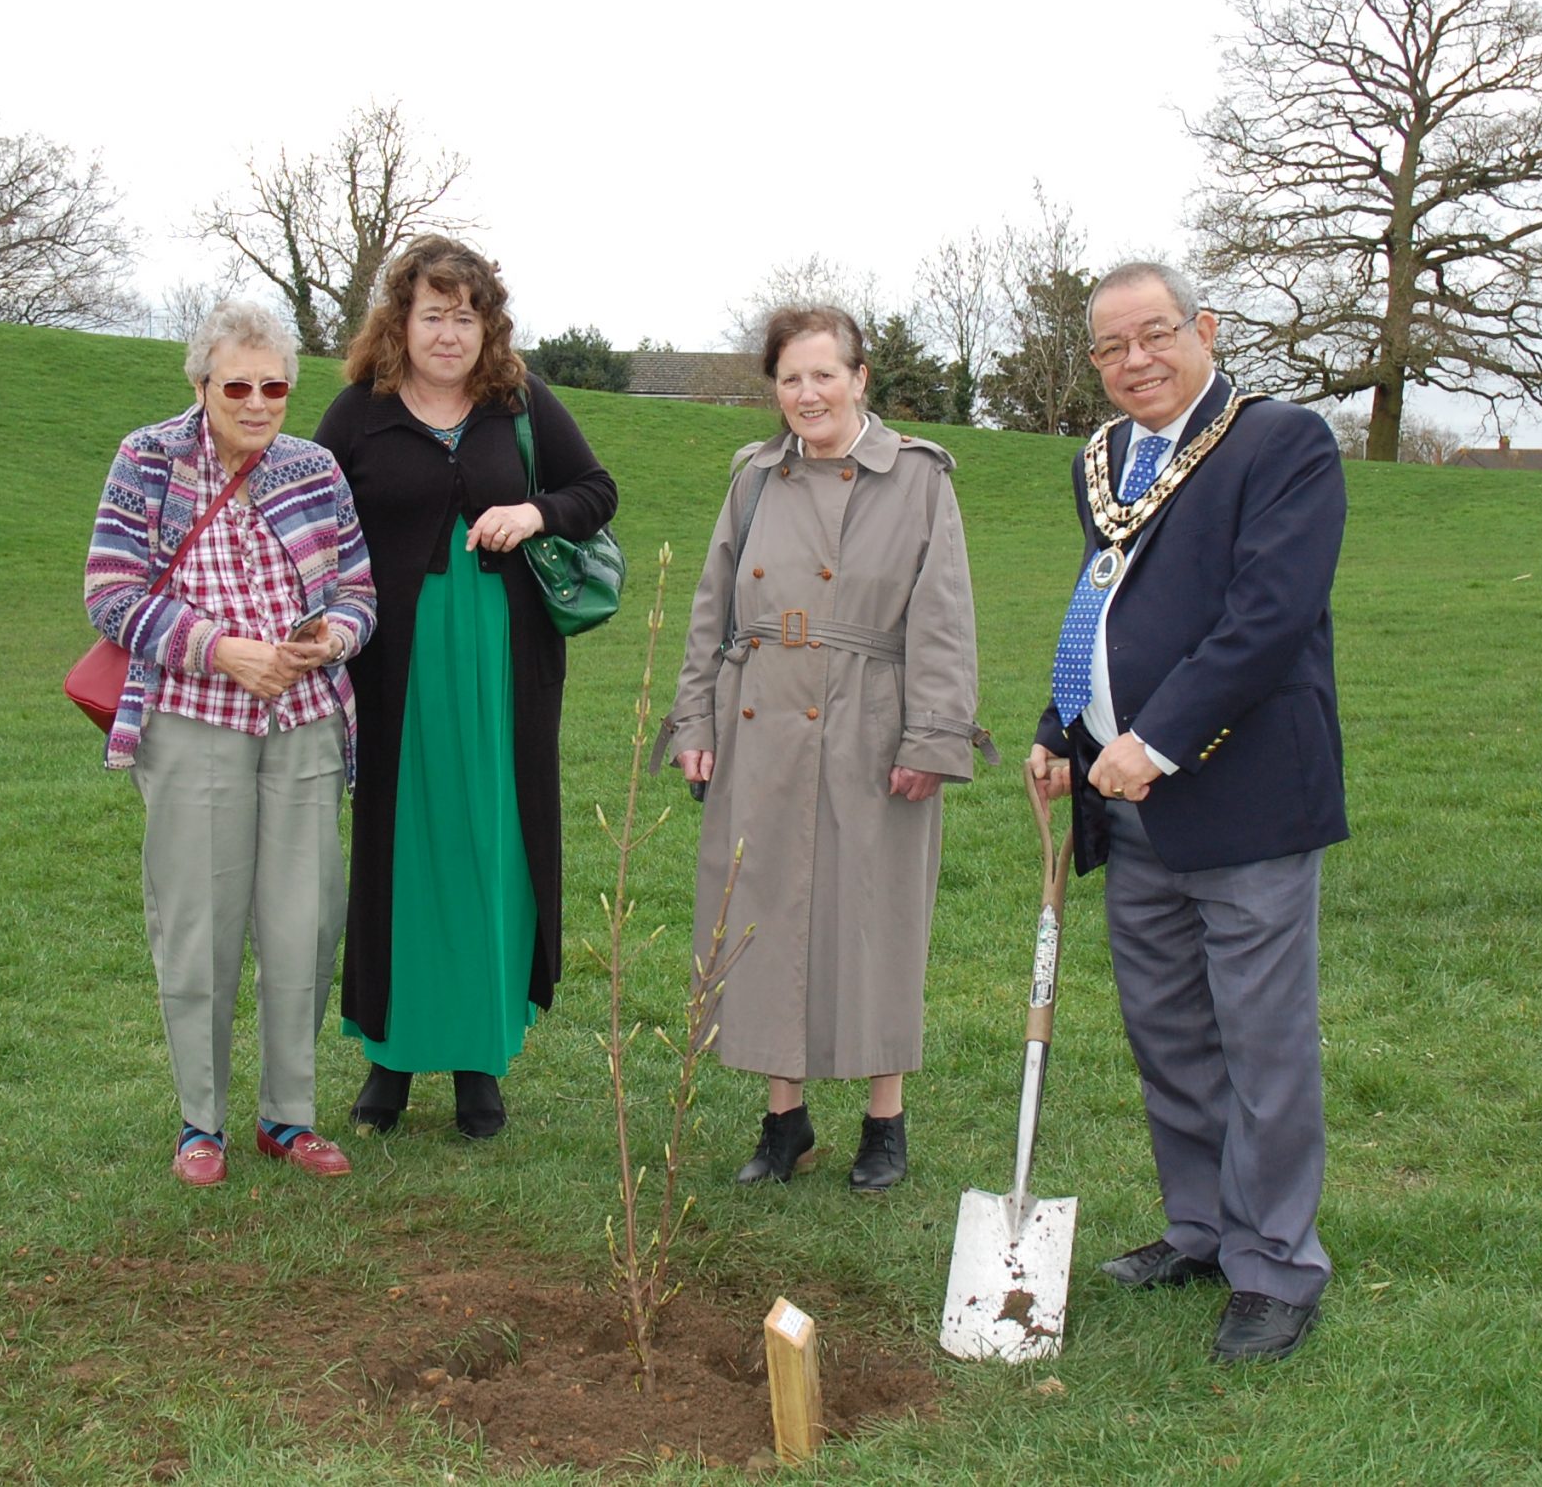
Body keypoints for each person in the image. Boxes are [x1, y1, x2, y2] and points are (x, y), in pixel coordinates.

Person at [1028, 261, 1348, 1362]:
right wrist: (1059, 724)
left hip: (1242, 794)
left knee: (1260, 1041)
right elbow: (1100, 596)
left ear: (1204, 327)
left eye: (1153, 335)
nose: (1133, 362)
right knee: (1168, 1030)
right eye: (1110, 349)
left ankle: (1276, 1267)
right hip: (1125, 799)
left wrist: (1153, 742)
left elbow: (1269, 615)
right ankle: (1203, 1230)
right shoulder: (1107, 459)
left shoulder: (1281, 443)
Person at [659, 305, 993, 1193]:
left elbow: (945, 620)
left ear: (859, 379)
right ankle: (784, 1121)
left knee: (875, 916)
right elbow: (710, 608)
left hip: (871, 722)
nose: (807, 394)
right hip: (758, 715)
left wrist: (932, 736)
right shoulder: (754, 479)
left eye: (823, 375)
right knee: (761, 911)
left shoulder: (919, 478)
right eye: (790, 378)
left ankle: (885, 1122)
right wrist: (693, 722)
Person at [313, 236, 617, 1139]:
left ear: (489, 326)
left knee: (494, 844)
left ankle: (482, 1064)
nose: (450, 333)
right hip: (394, 672)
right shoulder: (356, 417)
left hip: (505, 668)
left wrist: (536, 510)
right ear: (399, 323)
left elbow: (595, 489)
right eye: (432, 314)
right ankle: (390, 1062)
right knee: (402, 850)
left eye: (466, 315)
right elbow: (306, 522)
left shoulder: (519, 403)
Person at [84, 300, 377, 1187]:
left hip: (304, 721)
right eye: (237, 385)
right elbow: (110, 593)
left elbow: (360, 590)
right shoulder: (150, 458)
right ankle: (198, 1123)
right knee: (199, 925)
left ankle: (289, 1118)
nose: (257, 402)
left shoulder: (315, 468)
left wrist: (328, 642)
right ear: (201, 382)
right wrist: (223, 651)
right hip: (191, 718)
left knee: (305, 921)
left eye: (275, 386)